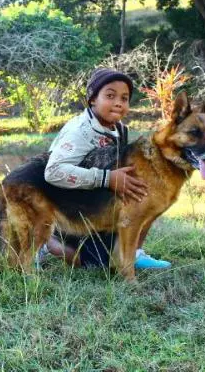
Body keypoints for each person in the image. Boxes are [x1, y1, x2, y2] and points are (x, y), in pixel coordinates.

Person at [36, 68, 172, 270]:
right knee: (99, 264)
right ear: (93, 99)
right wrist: (106, 179)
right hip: (70, 207)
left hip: (97, 199)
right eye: (110, 95)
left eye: (124, 98)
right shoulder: (80, 132)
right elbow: (53, 172)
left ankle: (134, 253)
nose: (119, 102)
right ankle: (49, 242)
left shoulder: (117, 128)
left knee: (144, 193)